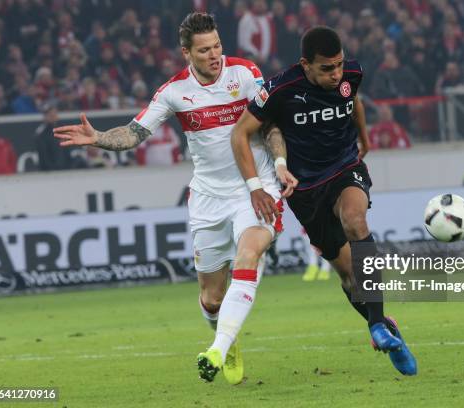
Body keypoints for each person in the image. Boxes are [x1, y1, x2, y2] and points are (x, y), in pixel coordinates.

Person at [54, 12, 291, 385]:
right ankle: (227, 336)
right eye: (204, 50)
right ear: (186, 53)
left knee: (249, 252)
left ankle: (220, 346)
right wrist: (99, 137)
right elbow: (134, 133)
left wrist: (278, 163)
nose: (215, 55)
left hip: (256, 187)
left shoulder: (246, 74)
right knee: (212, 299)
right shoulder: (174, 92)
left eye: (217, 47)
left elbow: (272, 123)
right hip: (209, 197)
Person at [231, 26, 417, 375]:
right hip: (305, 190)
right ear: (305, 64)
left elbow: (354, 100)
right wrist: (255, 185)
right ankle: (387, 329)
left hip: (345, 167)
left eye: (339, 66)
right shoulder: (278, 90)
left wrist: (364, 138)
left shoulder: (352, 73)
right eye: (326, 69)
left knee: (355, 221)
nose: (336, 75)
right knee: (348, 275)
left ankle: (377, 326)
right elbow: (240, 132)